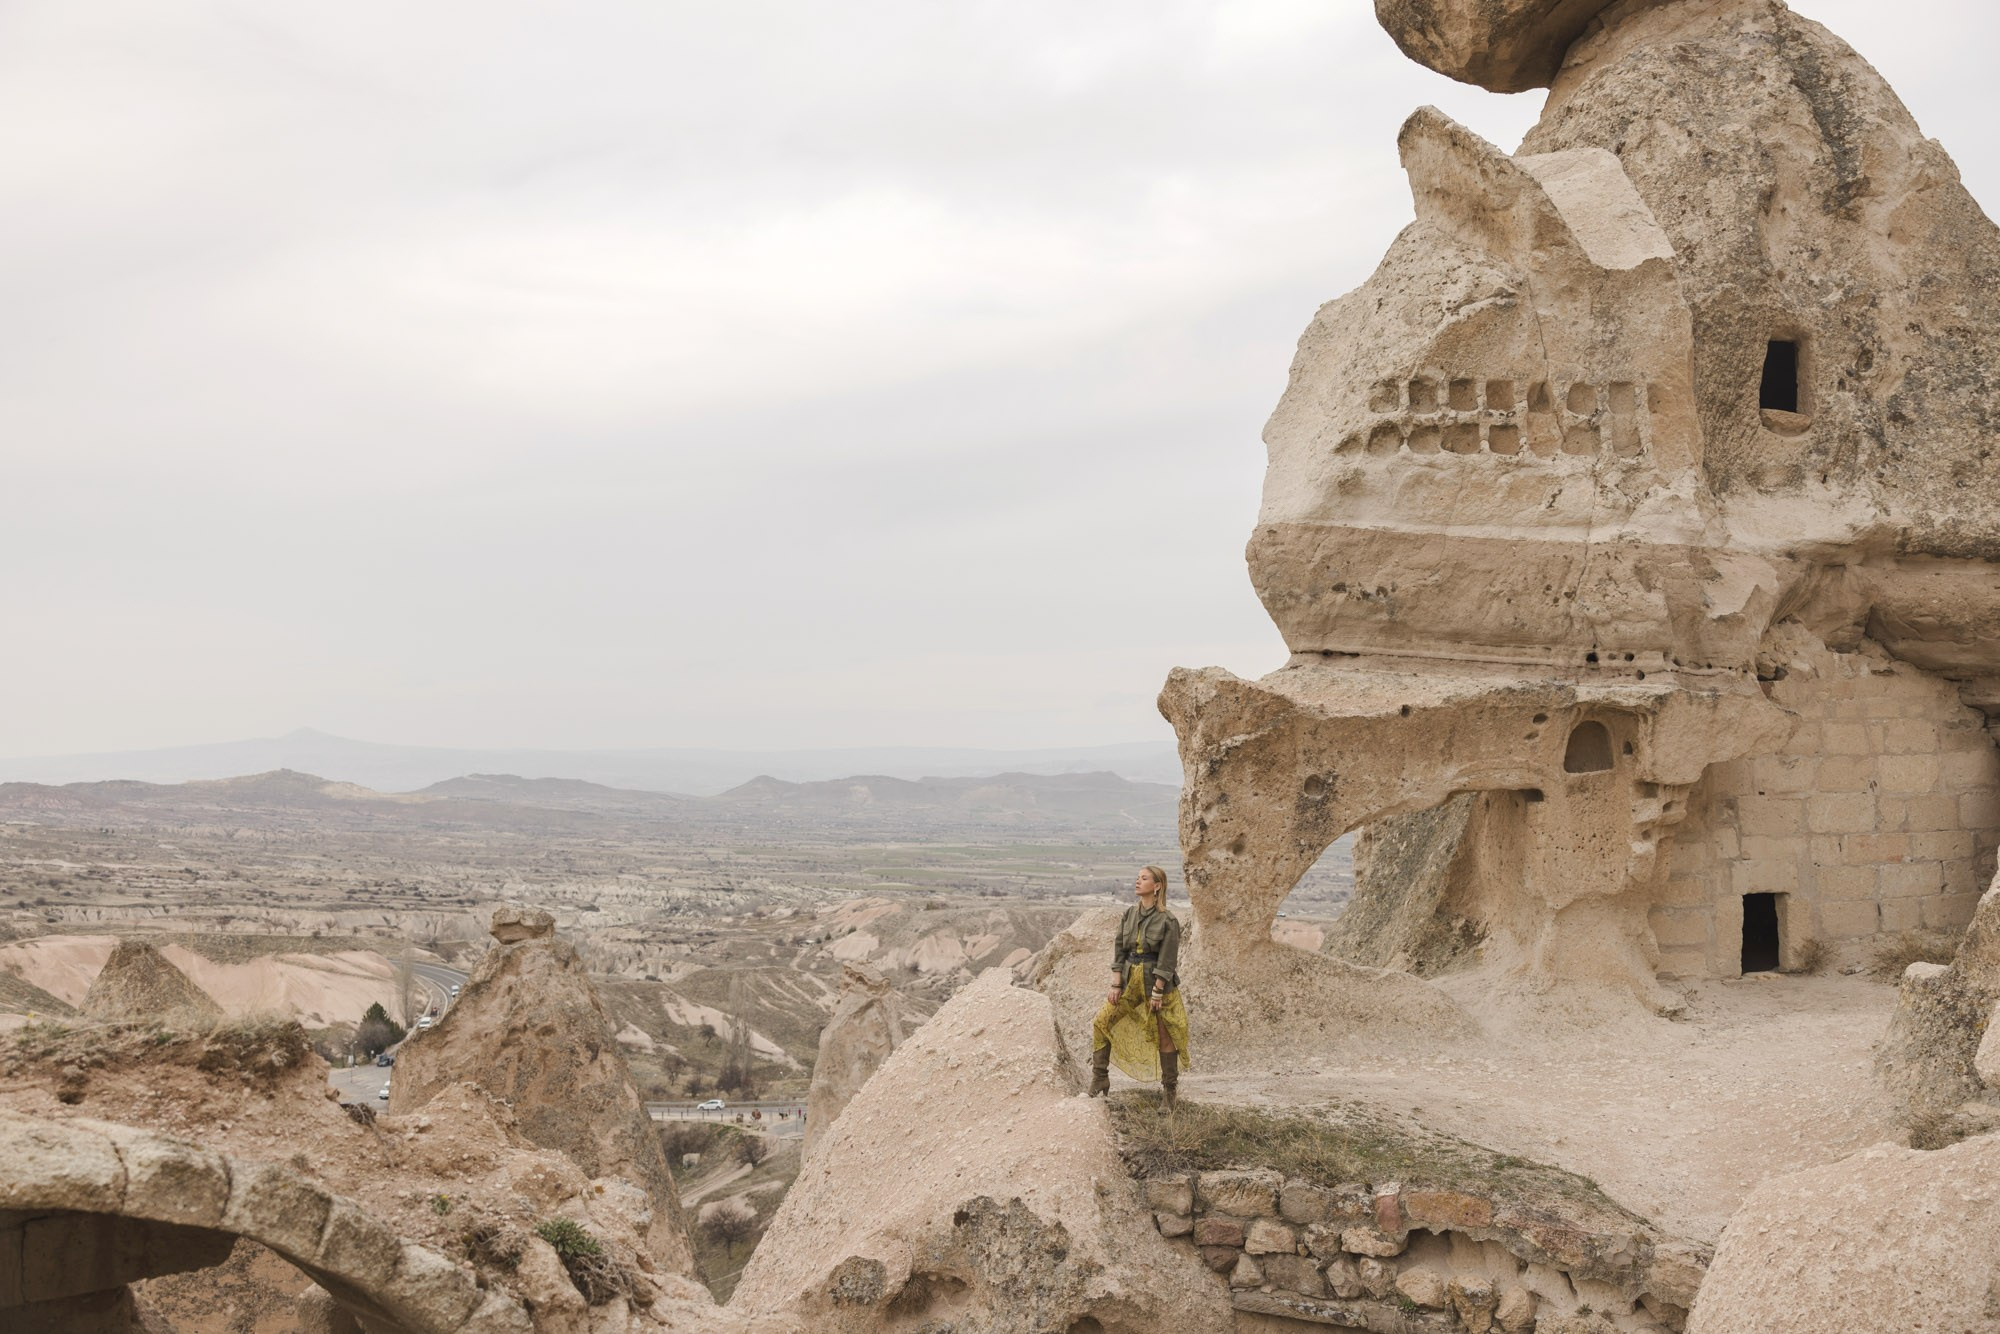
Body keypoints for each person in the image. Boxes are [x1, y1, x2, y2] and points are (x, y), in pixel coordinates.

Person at [1088, 865, 1190, 1110]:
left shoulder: (1168, 920)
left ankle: (1169, 1094)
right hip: (1129, 980)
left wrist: (1157, 991)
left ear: (1157, 886)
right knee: (1101, 1022)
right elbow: (1120, 949)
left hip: (1156, 984)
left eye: (1144, 878)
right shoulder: (1129, 914)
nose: (1137, 882)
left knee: (1164, 1036)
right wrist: (1116, 983)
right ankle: (1100, 1078)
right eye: (1137, 878)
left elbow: (1167, 960)